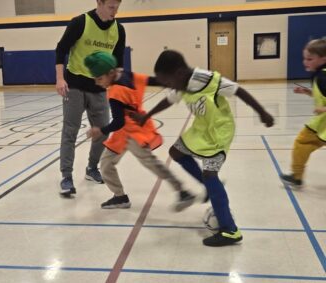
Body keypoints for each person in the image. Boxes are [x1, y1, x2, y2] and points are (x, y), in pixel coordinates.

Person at [133, 50, 274, 247]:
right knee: (176, 152)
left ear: (180, 73)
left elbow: (239, 91)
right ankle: (210, 188)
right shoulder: (181, 83)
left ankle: (230, 230)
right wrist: (146, 116)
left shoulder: (210, 80)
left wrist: (262, 112)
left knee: (210, 175)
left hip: (219, 131)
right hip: (201, 128)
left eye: (168, 82)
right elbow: (169, 99)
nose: (168, 86)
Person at [84, 51, 198, 210]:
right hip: (124, 132)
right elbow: (152, 80)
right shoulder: (127, 74)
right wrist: (171, 83)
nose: (97, 83)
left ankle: (183, 192)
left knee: (152, 163)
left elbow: (118, 122)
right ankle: (120, 197)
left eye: (99, 79)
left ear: (111, 73)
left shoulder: (115, 92)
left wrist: (100, 130)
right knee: (106, 164)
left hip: (134, 133)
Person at [55, 0, 125, 197]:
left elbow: (119, 65)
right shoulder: (80, 22)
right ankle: (66, 176)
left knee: (103, 131)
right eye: (111, 6)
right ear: (99, 3)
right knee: (70, 131)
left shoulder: (119, 30)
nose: (115, 10)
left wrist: (117, 87)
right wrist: (60, 79)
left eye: (118, 6)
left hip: (99, 88)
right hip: (74, 85)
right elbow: (61, 50)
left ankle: (92, 168)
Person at [280, 38, 326, 188]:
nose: (305, 62)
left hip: (321, 124)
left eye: (310, 59)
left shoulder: (323, 77)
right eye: (304, 58)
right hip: (322, 125)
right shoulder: (320, 74)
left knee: (302, 142)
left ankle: (296, 176)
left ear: (323, 58)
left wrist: (323, 109)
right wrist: (308, 92)